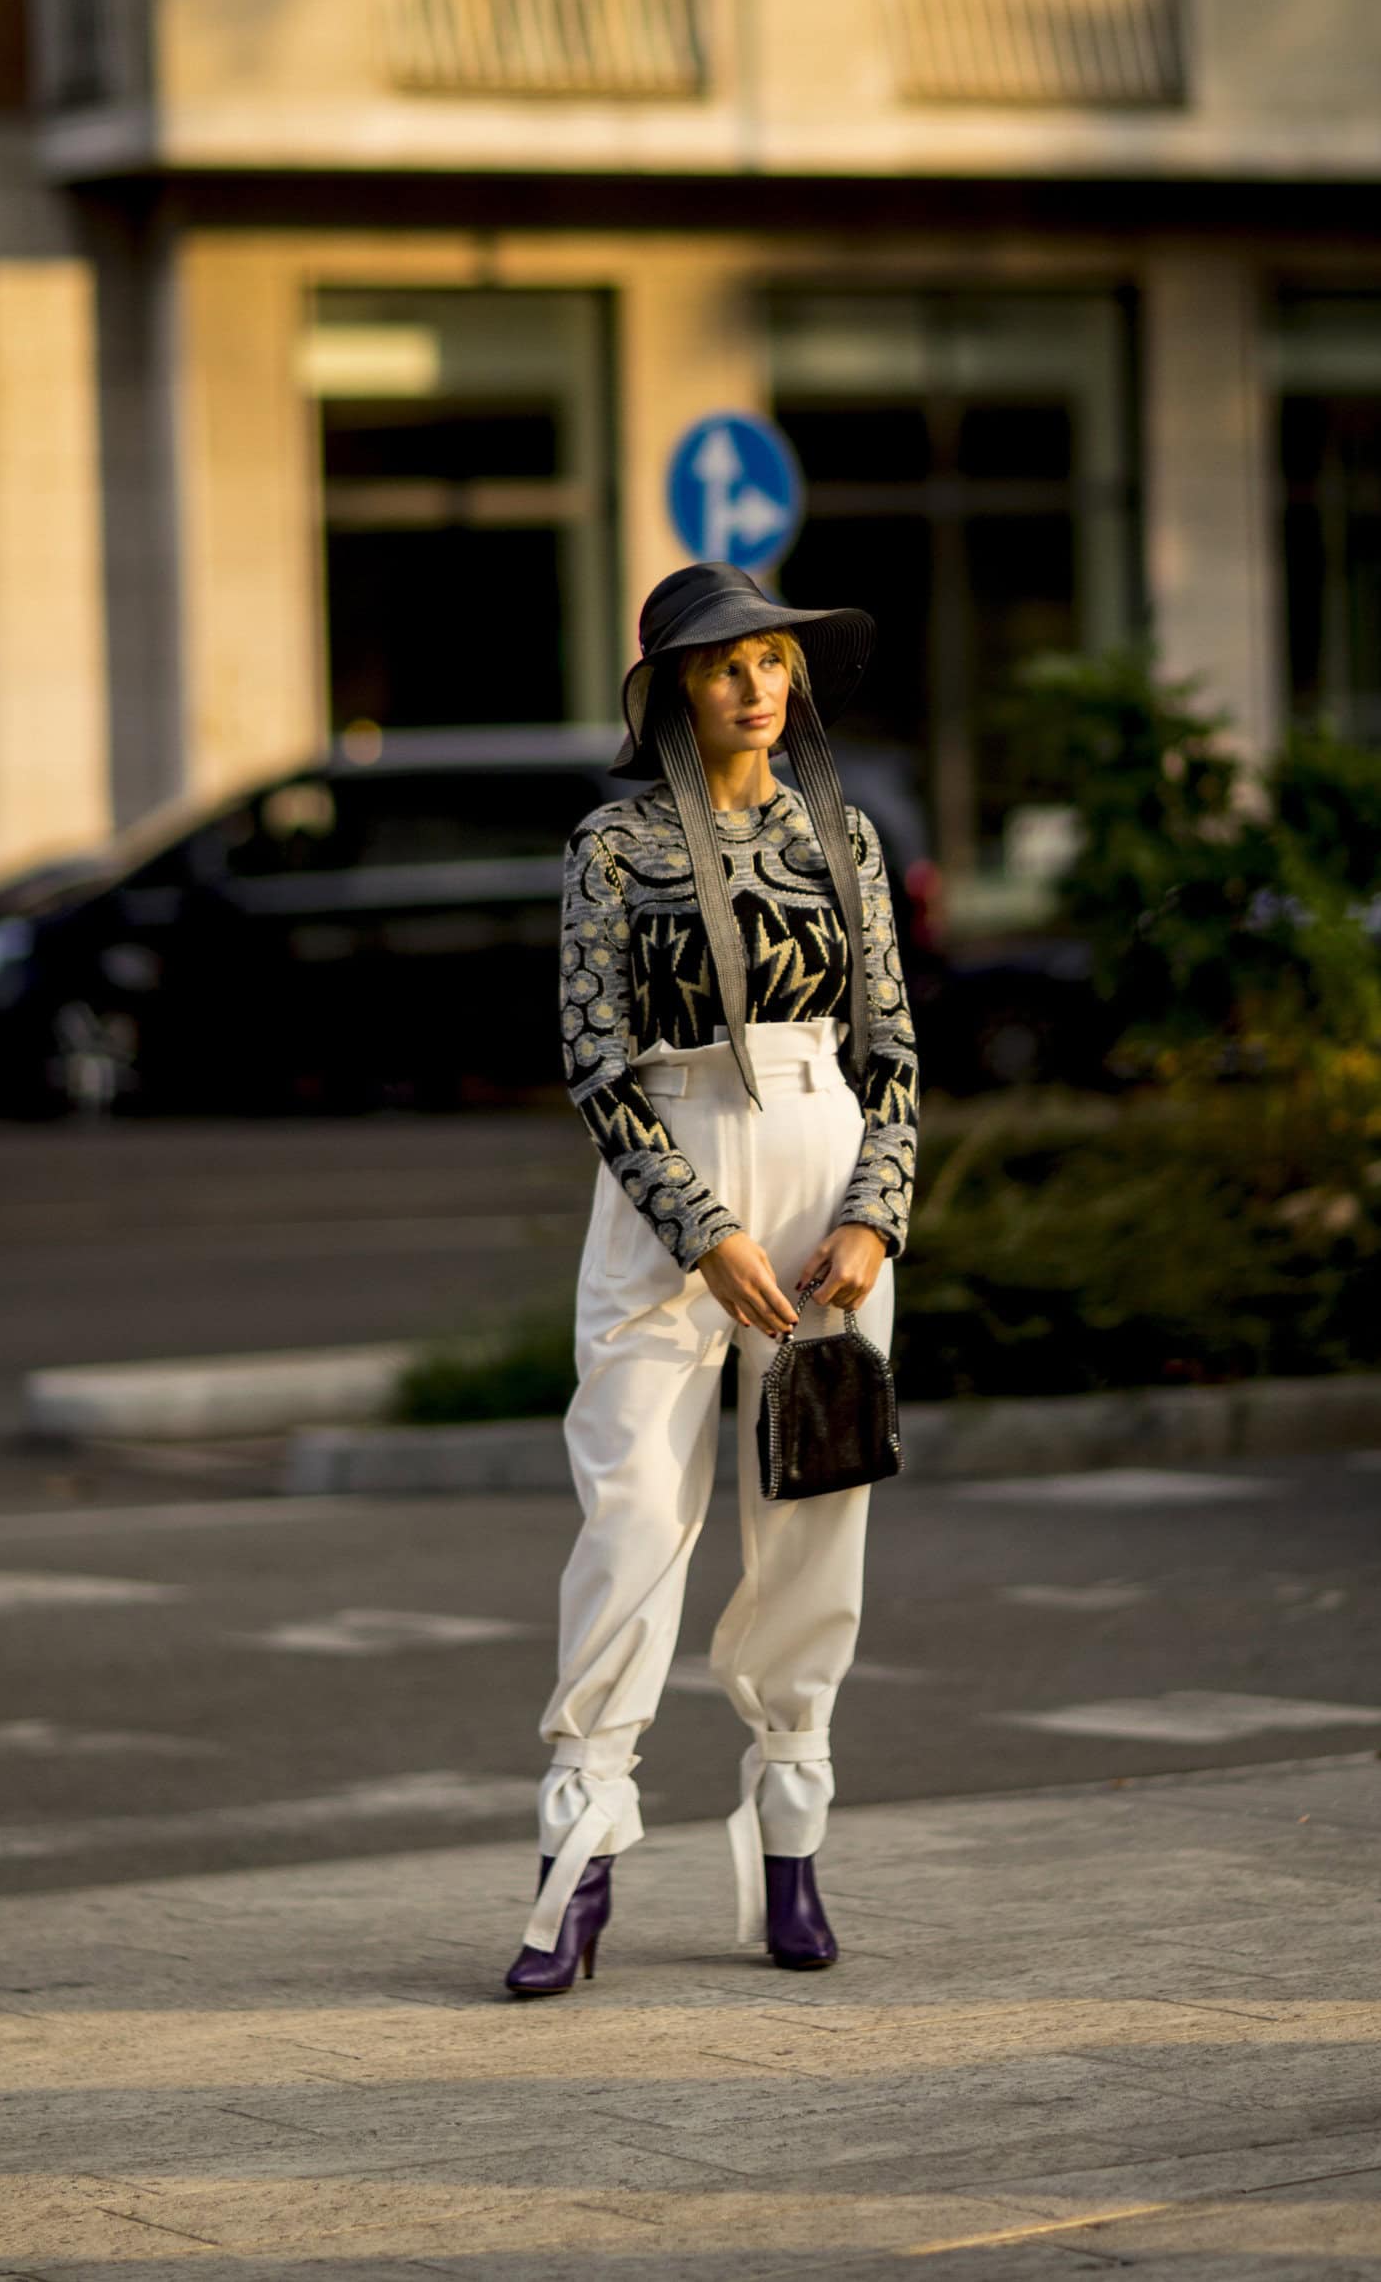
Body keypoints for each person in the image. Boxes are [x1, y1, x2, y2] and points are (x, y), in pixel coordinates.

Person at [504, 560, 918, 1996]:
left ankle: (792, 1843)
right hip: (668, 1187)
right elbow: (593, 1059)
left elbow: (895, 1057)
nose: (756, 685)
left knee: (816, 1508)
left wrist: (874, 1216)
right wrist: (704, 1228)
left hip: (823, 1164)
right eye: (724, 665)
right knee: (630, 1513)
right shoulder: (610, 849)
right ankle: (579, 1852)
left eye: (774, 663)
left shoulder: (843, 837)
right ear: (673, 687)